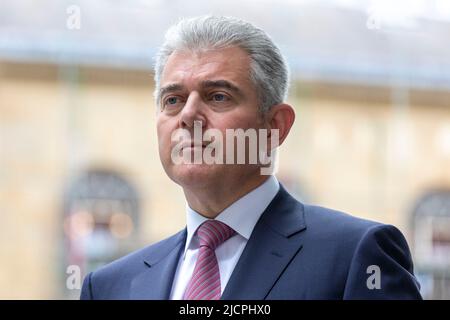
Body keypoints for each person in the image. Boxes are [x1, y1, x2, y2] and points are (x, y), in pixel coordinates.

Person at [80, 15, 422, 300]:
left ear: (275, 126)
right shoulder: (110, 287)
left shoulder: (356, 257)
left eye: (217, 96)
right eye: (173, 100)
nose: (188, 115)